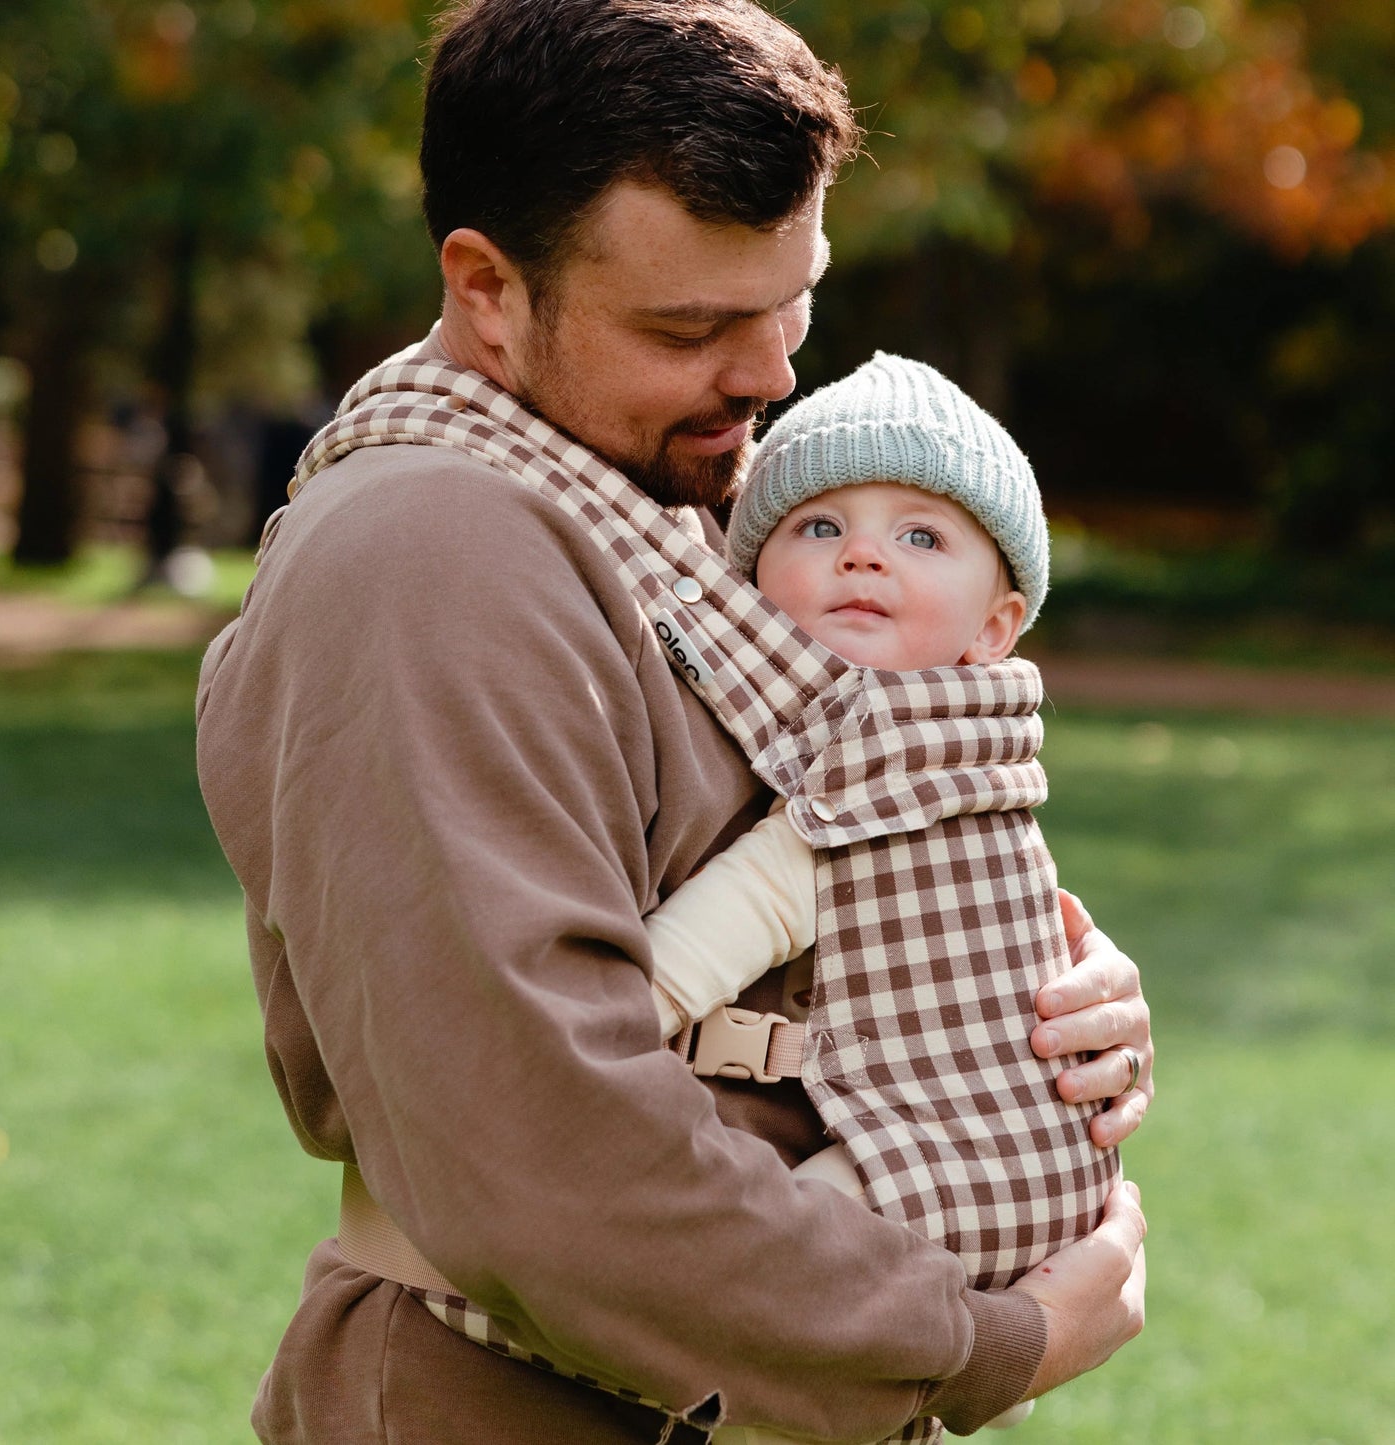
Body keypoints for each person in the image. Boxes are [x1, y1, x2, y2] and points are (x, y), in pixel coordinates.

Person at [194, 3, 1150, 1443]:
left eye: (792, 299)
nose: (769, 372)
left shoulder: (674, 496)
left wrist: (1035, 995)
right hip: (515, 1401)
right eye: (691, 325)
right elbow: (539, 1149)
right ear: (487, 290)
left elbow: (829, 855)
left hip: (733, 1388)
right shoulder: (429, 552)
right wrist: (975, 1340)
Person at [643, 353, 1124, 1442]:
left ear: (995, 629)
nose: (861, 550)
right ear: (750, 581)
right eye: (817, 526)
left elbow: (705, 942)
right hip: (1030, 1168)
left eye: (920, 535)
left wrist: (592, 1015)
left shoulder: (879, 777)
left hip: (947, 1149)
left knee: (763, 1278)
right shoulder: (970, 757)